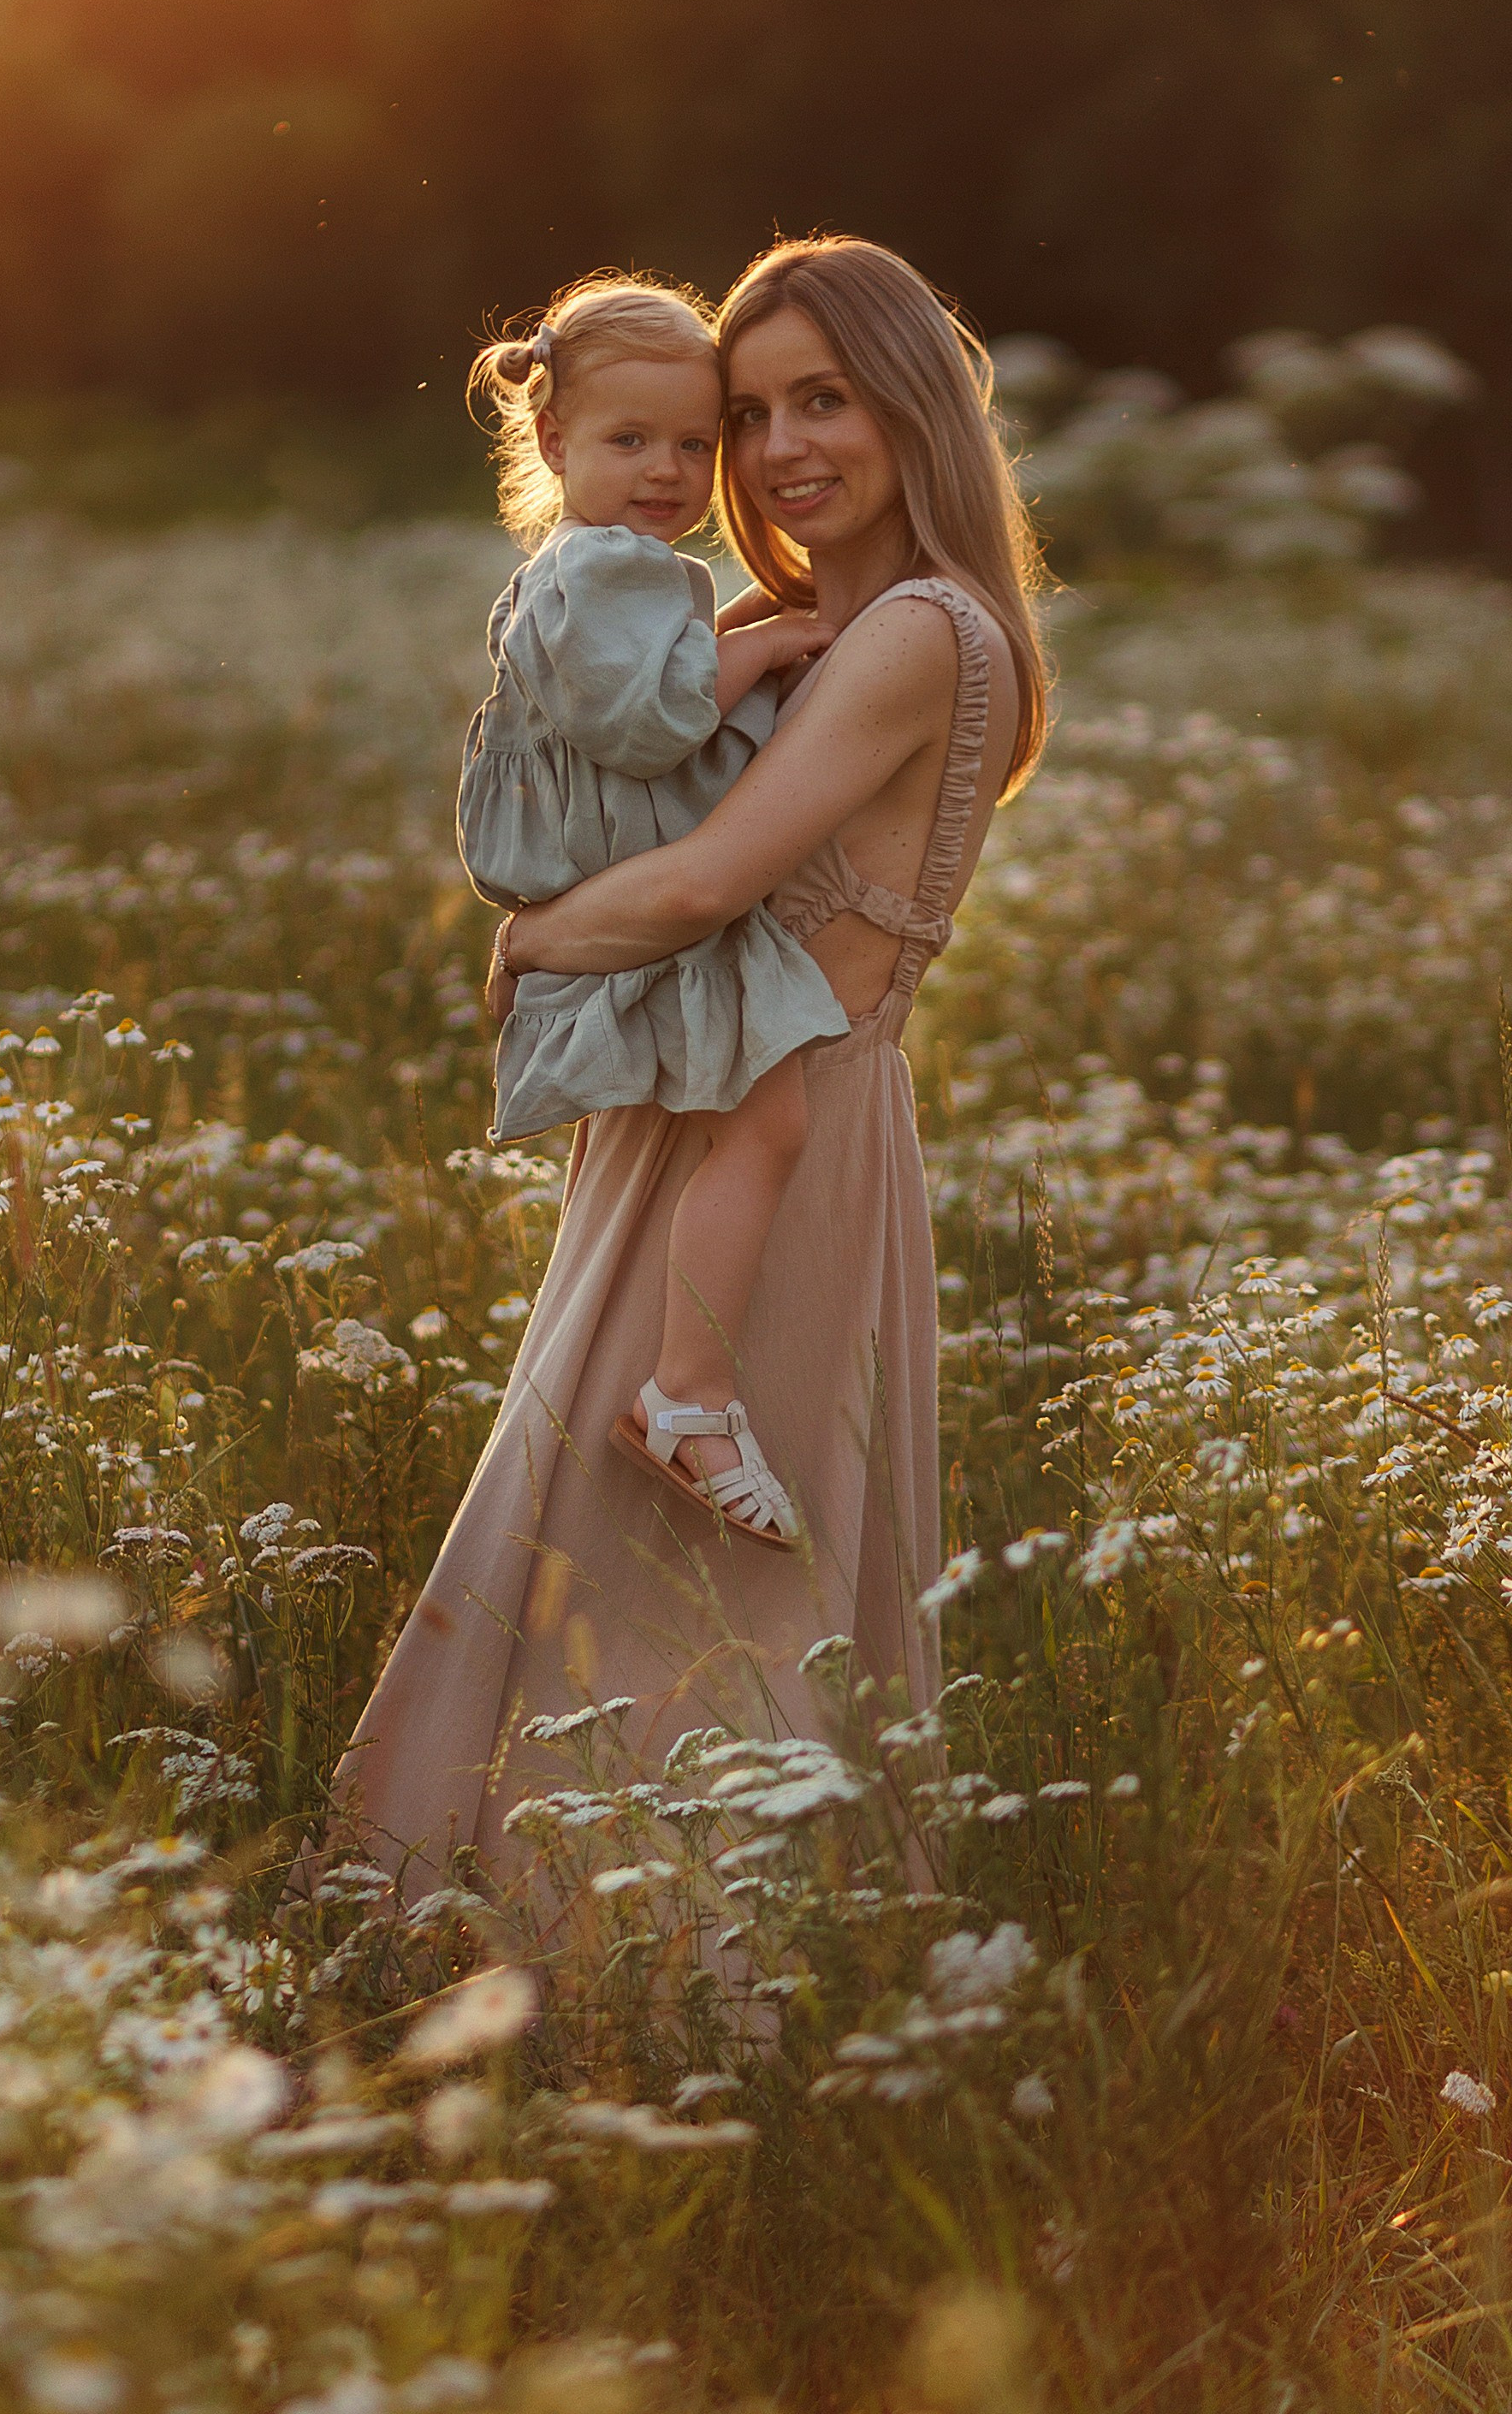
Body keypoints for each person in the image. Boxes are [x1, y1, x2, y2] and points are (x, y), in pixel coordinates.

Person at [335, 237, 1048, 1896]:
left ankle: (671, 1959)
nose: (780, 448)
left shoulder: (918, 632)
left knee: (676, 1590)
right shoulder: (811, 625)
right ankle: (525, 1927)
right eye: (752, 412)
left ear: (912, 409)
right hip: (713, 1100)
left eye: (826, 400)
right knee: (595, 1552)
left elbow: (702, 886)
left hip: (786, 1120)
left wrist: (531, 939)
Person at [458, 273, 849, 1545]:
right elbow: (649, 723)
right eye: (630, 441)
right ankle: (688, 1395)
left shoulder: (599, 567)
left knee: (702, 1145)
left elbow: (647, 683)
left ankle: (650, 1378)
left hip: (628, 884)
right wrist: (767, 644)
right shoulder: (610, 565)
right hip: (655, 899)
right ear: (554, 440)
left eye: (694, 442)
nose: (669, 472)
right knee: (770, 1128)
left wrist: (741, 622)